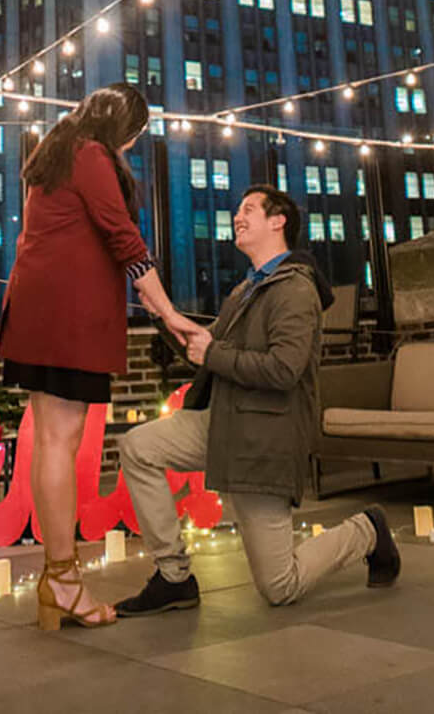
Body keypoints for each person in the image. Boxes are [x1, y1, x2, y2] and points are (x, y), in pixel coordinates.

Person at [115, 184, 400, 614]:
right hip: (224, 423)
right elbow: (215, 357)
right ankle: (174, 576)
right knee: (138, 447)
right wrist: (166, 319)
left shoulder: (294, 289)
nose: (237, 217)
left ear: (278, 220)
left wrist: (212, 351)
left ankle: (367, 530)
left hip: (264, 439)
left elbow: (284, 370)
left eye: (248, 209)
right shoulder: (246, 290)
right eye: (237, 211)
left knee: (279, 586)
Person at [0, 84, 198, 631]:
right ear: (123, 128)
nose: (130, 150)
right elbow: (123, 237)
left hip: (38, 312)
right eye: (132, 139)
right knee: (61, 444)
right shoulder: (90, 153)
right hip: (68, 319)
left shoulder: (56, 152)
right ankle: (62, 580)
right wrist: (171, 315)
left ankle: (57, 574)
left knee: (50, 444)